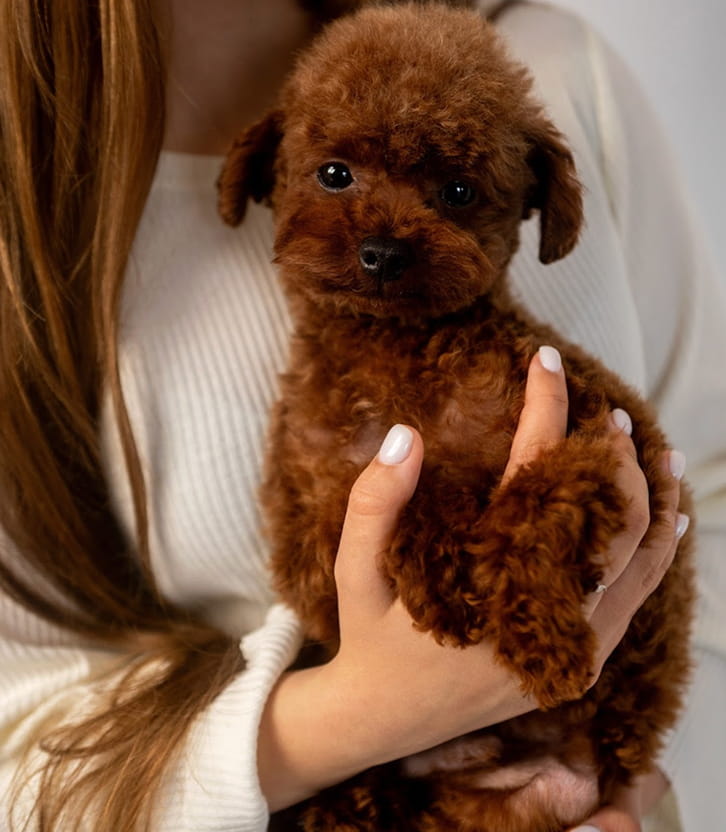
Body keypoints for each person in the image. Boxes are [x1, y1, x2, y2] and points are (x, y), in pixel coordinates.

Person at [0, 1, 722, 831]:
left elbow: (712, 469)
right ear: (263, 170)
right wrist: (351, 720)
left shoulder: (555, 65)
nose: (383, 238)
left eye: (455, 193)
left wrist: (639, 778)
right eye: (336, 177)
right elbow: (15, 732)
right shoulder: (33, 200)